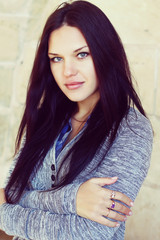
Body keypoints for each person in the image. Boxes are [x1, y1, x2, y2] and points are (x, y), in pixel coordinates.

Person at [0, 1, 153, 239]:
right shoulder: (44, 117)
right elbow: (11, 192)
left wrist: (11, 210)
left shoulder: (131, 129)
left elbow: (91, 231)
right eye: (56, 58)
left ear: (105, 53)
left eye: (82, 54)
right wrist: (74, 199)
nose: (67, 71)